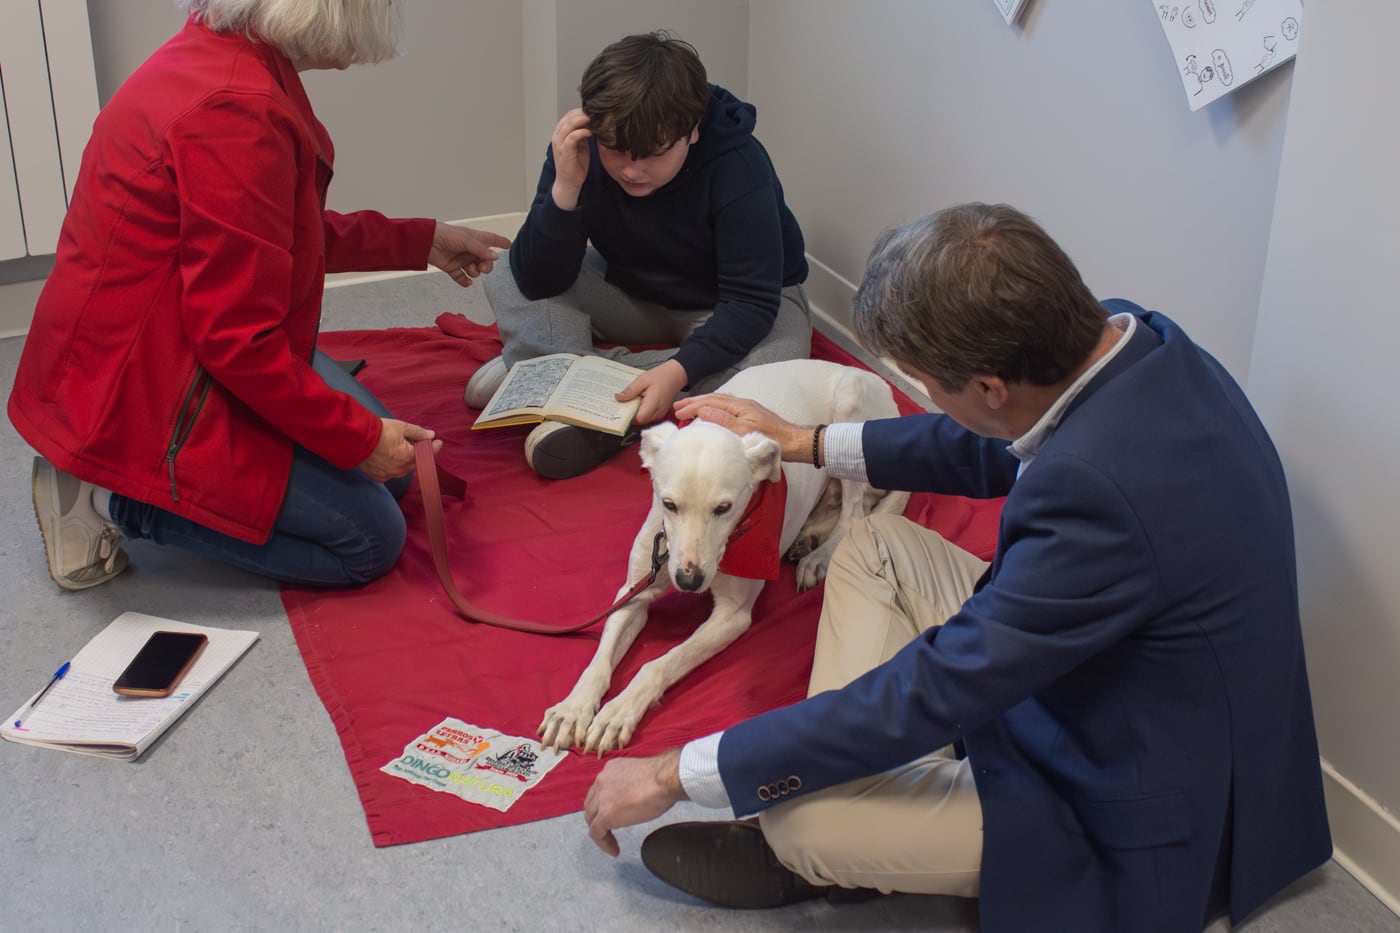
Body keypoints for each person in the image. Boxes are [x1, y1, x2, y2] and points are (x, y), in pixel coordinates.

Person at [581, 203, 1332, 932]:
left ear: (990, 387)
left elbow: (934, 687)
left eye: (928, 386)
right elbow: (983, 441)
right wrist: (806, 440)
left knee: (800, 816)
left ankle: (826, 846)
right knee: (872, 544)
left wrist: (672, 772)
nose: (924, 400)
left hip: (1132, 786)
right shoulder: (1126, 337)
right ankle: (854, 783)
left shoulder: (1097, 498)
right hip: (1123, 676)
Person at [8, 0, 511, 591]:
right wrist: (356, 438)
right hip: (151, 386)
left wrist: (420, 240)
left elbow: (273, 233)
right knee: (370, 539)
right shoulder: (237, 109)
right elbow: (236, 342)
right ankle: (112, 497)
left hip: (150, 348)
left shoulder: (219, 54)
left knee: (392, 477)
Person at [468, 31, 811, 480]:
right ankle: (575, 378)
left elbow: (751, 303)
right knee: (505, 268)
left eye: (652, 155)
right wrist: (565, 188)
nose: (631, 169)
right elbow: (536, 279)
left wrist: (678, 369)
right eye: (616, 151)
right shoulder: (582, 146)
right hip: (633, 290)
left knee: (779, 372)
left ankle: (552, 374)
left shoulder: (738, 164)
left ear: (692, 130)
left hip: (739, 303)